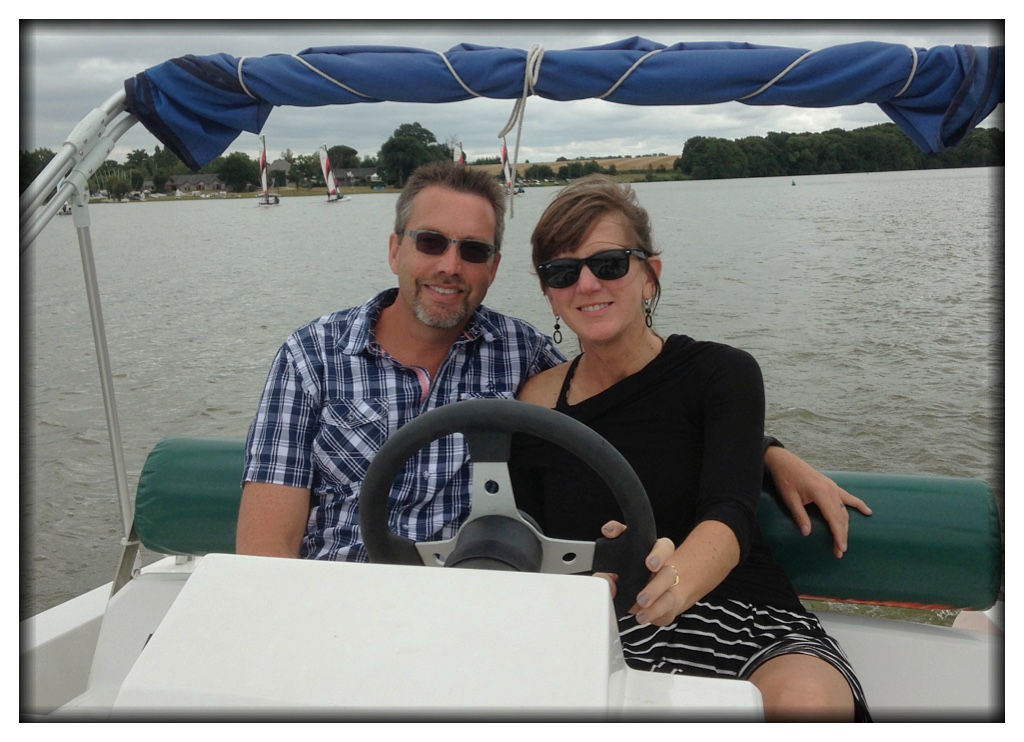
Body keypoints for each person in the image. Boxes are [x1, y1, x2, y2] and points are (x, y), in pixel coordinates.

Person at [237, 160, 867, 567]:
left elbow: (629, 402)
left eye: (473, 250)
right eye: (431, 242)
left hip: (475, 611)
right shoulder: (312, 357)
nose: (450, 266)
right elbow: (266, 547)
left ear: (494, 268)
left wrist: (764, 450)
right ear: (396, 249)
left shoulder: (524, 358)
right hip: (337, 603)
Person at [508, 175, 871, 721]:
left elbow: (730, 513)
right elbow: (528, 535)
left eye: (609, 264)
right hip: (597, 625)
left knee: (805, 704)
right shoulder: (535, 403)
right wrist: (581, 593)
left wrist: (664, 586)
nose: (586, 284)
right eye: (562, 271)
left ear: (650, 274)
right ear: (549, 294)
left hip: (741, 612)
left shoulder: (722, 373)